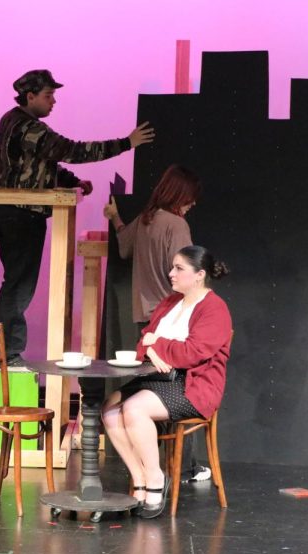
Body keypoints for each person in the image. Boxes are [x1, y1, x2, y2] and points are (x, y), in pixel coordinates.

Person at [0, 69, 155, 365]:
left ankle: (3, 350)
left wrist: (71, 181)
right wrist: (127, 143)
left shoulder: (17, 122)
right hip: (18, 212)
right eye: (48, 96)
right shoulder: (28, 127)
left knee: (18, 282)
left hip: (15, 211)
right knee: (18, 284)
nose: (53, 102)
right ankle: (1, 351)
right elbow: (69, 150)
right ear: (30, 96)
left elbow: (41, 164)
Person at [100, 245, 231, 518]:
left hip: (192, 384)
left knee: (134, 409)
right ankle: (140, 478)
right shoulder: (170, 302)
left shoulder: (214, 309)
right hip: (156, 377)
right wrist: (149, 348)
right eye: (173, 267)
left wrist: (156, 343)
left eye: (179, 268)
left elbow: (193, 353)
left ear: (200, 275)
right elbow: (143, 340)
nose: (171, 273)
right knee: (109, 409)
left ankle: (156, 479)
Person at [103, 164, 212, 482]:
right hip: (172, 320)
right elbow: (184, 275)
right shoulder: (176, 225)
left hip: (146, 321)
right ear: (181, 195)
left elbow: (123, 247)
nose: (192, 205)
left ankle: (152, 467)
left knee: (152, 391)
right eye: (190, 198)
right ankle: (185, 468)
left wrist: (114, 216)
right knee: (184, 390)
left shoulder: (146, 219)